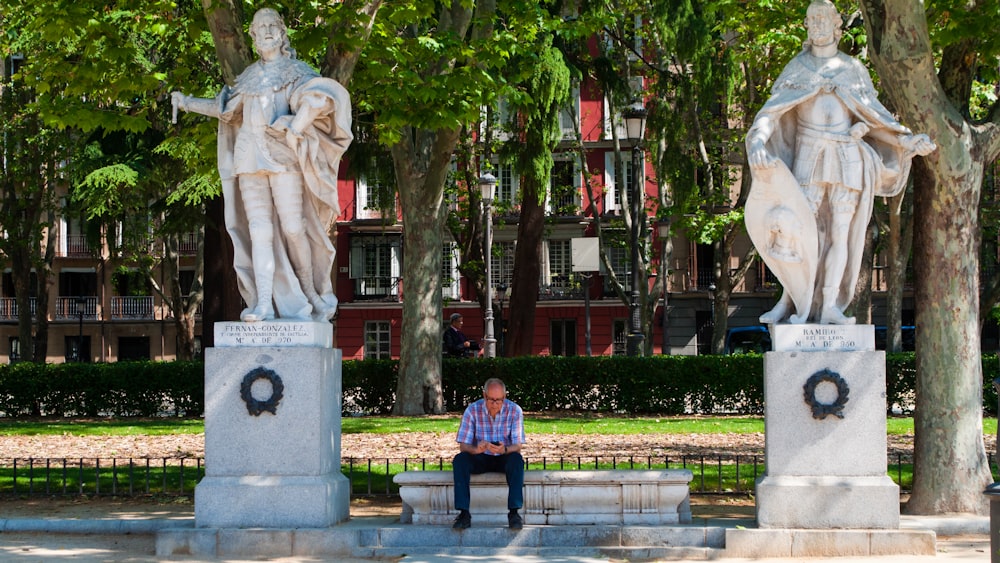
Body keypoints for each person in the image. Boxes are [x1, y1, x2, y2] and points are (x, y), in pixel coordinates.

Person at [745, 0, 935, 325]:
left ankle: (830, 304)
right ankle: (790, 300)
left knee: (840, 234)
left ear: (837, 25)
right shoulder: (797, 67)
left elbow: (875, 118)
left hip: (847, 158)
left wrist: (904, 141)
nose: (818, 24)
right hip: (808, 153)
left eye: (824, 18)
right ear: (806, 26)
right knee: (801, 230)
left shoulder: (853, 70)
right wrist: (758, 139)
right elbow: (771, 113)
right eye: (812, 19)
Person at [172, 8, 353, 322]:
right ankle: (264, 304)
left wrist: (297, 124)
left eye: (272, 25)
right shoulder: (250, 76)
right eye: (260, 27)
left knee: (294, 228)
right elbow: (225, 109)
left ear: (282, 33)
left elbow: (322, 98)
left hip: (284, 159)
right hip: (248, 158)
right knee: (259, 232)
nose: (267, 30)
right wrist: (186, 102)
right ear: (252, 36)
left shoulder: (297, 71)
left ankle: (310, 293)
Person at [452, 378, 525, 530]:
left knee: (516, 460)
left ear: (504, 397)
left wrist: (504, 449)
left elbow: (518, 445)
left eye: (499, 400)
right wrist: (475, 449)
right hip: (480, 456)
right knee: (460, 460)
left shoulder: (514, 410)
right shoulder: (472, 410)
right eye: (491, 399)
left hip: (504, 456)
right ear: (484, 396)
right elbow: (463, 445)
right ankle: (464, 513)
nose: (495, 404)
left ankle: (514, 513)